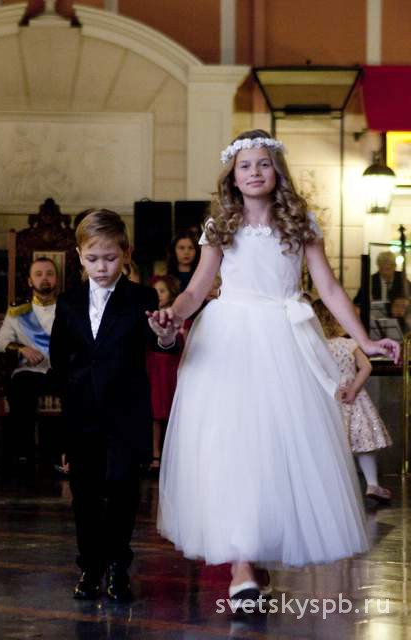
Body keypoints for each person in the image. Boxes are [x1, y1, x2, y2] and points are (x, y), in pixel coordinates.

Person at [147, 129, 400, 610]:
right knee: (233, 448)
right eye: (245, 165)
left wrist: (365, 340)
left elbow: (329, 288)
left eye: (263, 163)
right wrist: (173, 316)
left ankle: (255, 555)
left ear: (277, 171)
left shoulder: (300, 222)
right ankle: (241, 565)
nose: (255, 172)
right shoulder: (220, 226)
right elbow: (197, 289)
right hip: (229, 341)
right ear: (233, 176)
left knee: (275, 454)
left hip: (286, 340)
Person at [50, 209, 176, 602]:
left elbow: (159, 345)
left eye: (110, 258)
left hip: (126, 413)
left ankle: (118, 566)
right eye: (92, 259)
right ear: (79, 256)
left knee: (123, 491)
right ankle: (90, 567)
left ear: (126, 253)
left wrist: (166, 336)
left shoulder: (141, 297)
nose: (101, 267)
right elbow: (59, 359)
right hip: (82, 413)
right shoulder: (68, 301)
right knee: (85, 495)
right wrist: (66, 423)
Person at [312, 299, 393, 503]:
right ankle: (372, 484)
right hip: (354, 400)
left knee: (331, 445)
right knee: (364, 444)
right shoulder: (349, 344)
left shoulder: (315, 347)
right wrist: (353, 389)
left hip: (329, 399)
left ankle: (332, 487)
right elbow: (366, 367)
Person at [0, 257, 59, 464]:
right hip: (29, 372)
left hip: (59, 371)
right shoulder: (18, 311)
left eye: (49, 273)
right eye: (38, 274)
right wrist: (21, 347)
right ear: (30, 281)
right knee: (20, 387)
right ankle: (24, 453)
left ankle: (62, 455)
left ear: (56, 279)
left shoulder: (68, 309)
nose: (44, 278)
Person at [146, 275, 181, 470]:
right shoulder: (149, 314)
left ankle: (171, 452)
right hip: (154, 366)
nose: (159, 295)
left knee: (170, 409)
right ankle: (155, 452)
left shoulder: (178, 314)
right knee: (155, 410)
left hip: (171, 366)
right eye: (156, 291)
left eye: (163, 291)